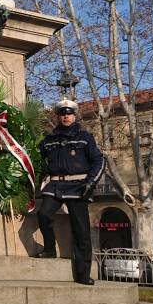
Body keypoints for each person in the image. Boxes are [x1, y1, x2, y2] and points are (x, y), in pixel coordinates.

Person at [36, 99, 105, 285]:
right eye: (62, 114)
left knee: (81, 231)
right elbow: (34, 158)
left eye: (69, 113)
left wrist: (91, 183)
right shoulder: (49, 140)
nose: (65, 116)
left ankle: (83, 274)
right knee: (43, 215)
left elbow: (99, 161)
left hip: (78, 187)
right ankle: (49, 249)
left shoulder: (85, 137)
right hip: (56, 185)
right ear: (58, 116)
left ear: (74, 116)